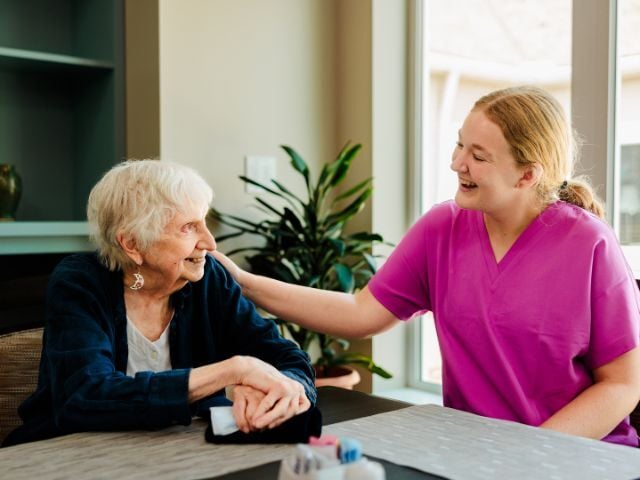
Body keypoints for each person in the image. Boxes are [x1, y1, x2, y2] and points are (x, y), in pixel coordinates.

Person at [213, 86, 640, 446]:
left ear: (527, 175)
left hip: (574, 455)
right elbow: (361, 314)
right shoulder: (443, 228)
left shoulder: (589, 244)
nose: (457, 163)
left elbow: (622, 385)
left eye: (478, 155)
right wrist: (243, 282)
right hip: (472, 448)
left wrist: (529, 456)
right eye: (459, 144)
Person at [3, 160, 315, 447]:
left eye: (204, 222)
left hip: (179, 454)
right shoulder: (80, 283)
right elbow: (85, 396)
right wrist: (233, 370)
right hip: (73, 453)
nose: (210, 243)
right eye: (189, 227)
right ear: (133, 244)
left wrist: (286, 390)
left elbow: (288, 358)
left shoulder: (208, 279)